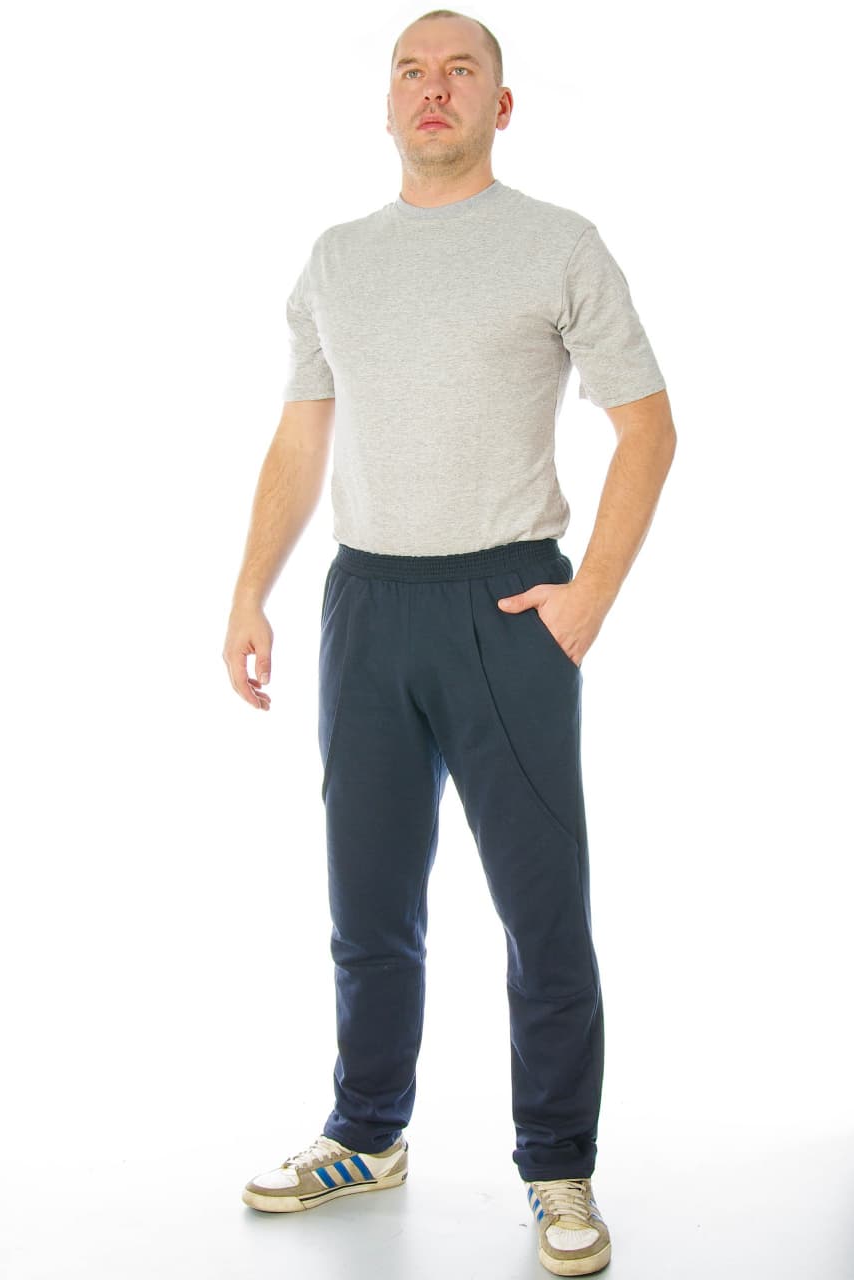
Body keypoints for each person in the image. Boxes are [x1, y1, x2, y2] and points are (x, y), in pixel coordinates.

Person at [223, 9, 676, 1275]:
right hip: (365, 601)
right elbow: (301, 432)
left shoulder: (557, 244)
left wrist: (589, 593)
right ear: (386, 104)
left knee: (542, 907)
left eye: (460, 70)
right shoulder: (336, 259)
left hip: (508, 603)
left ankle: (558, 1163)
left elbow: (647, 425)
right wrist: (251, 589)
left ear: (500, 103)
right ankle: (366, 1132)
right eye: (411, 72)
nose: (434, 88)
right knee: (367, 898)